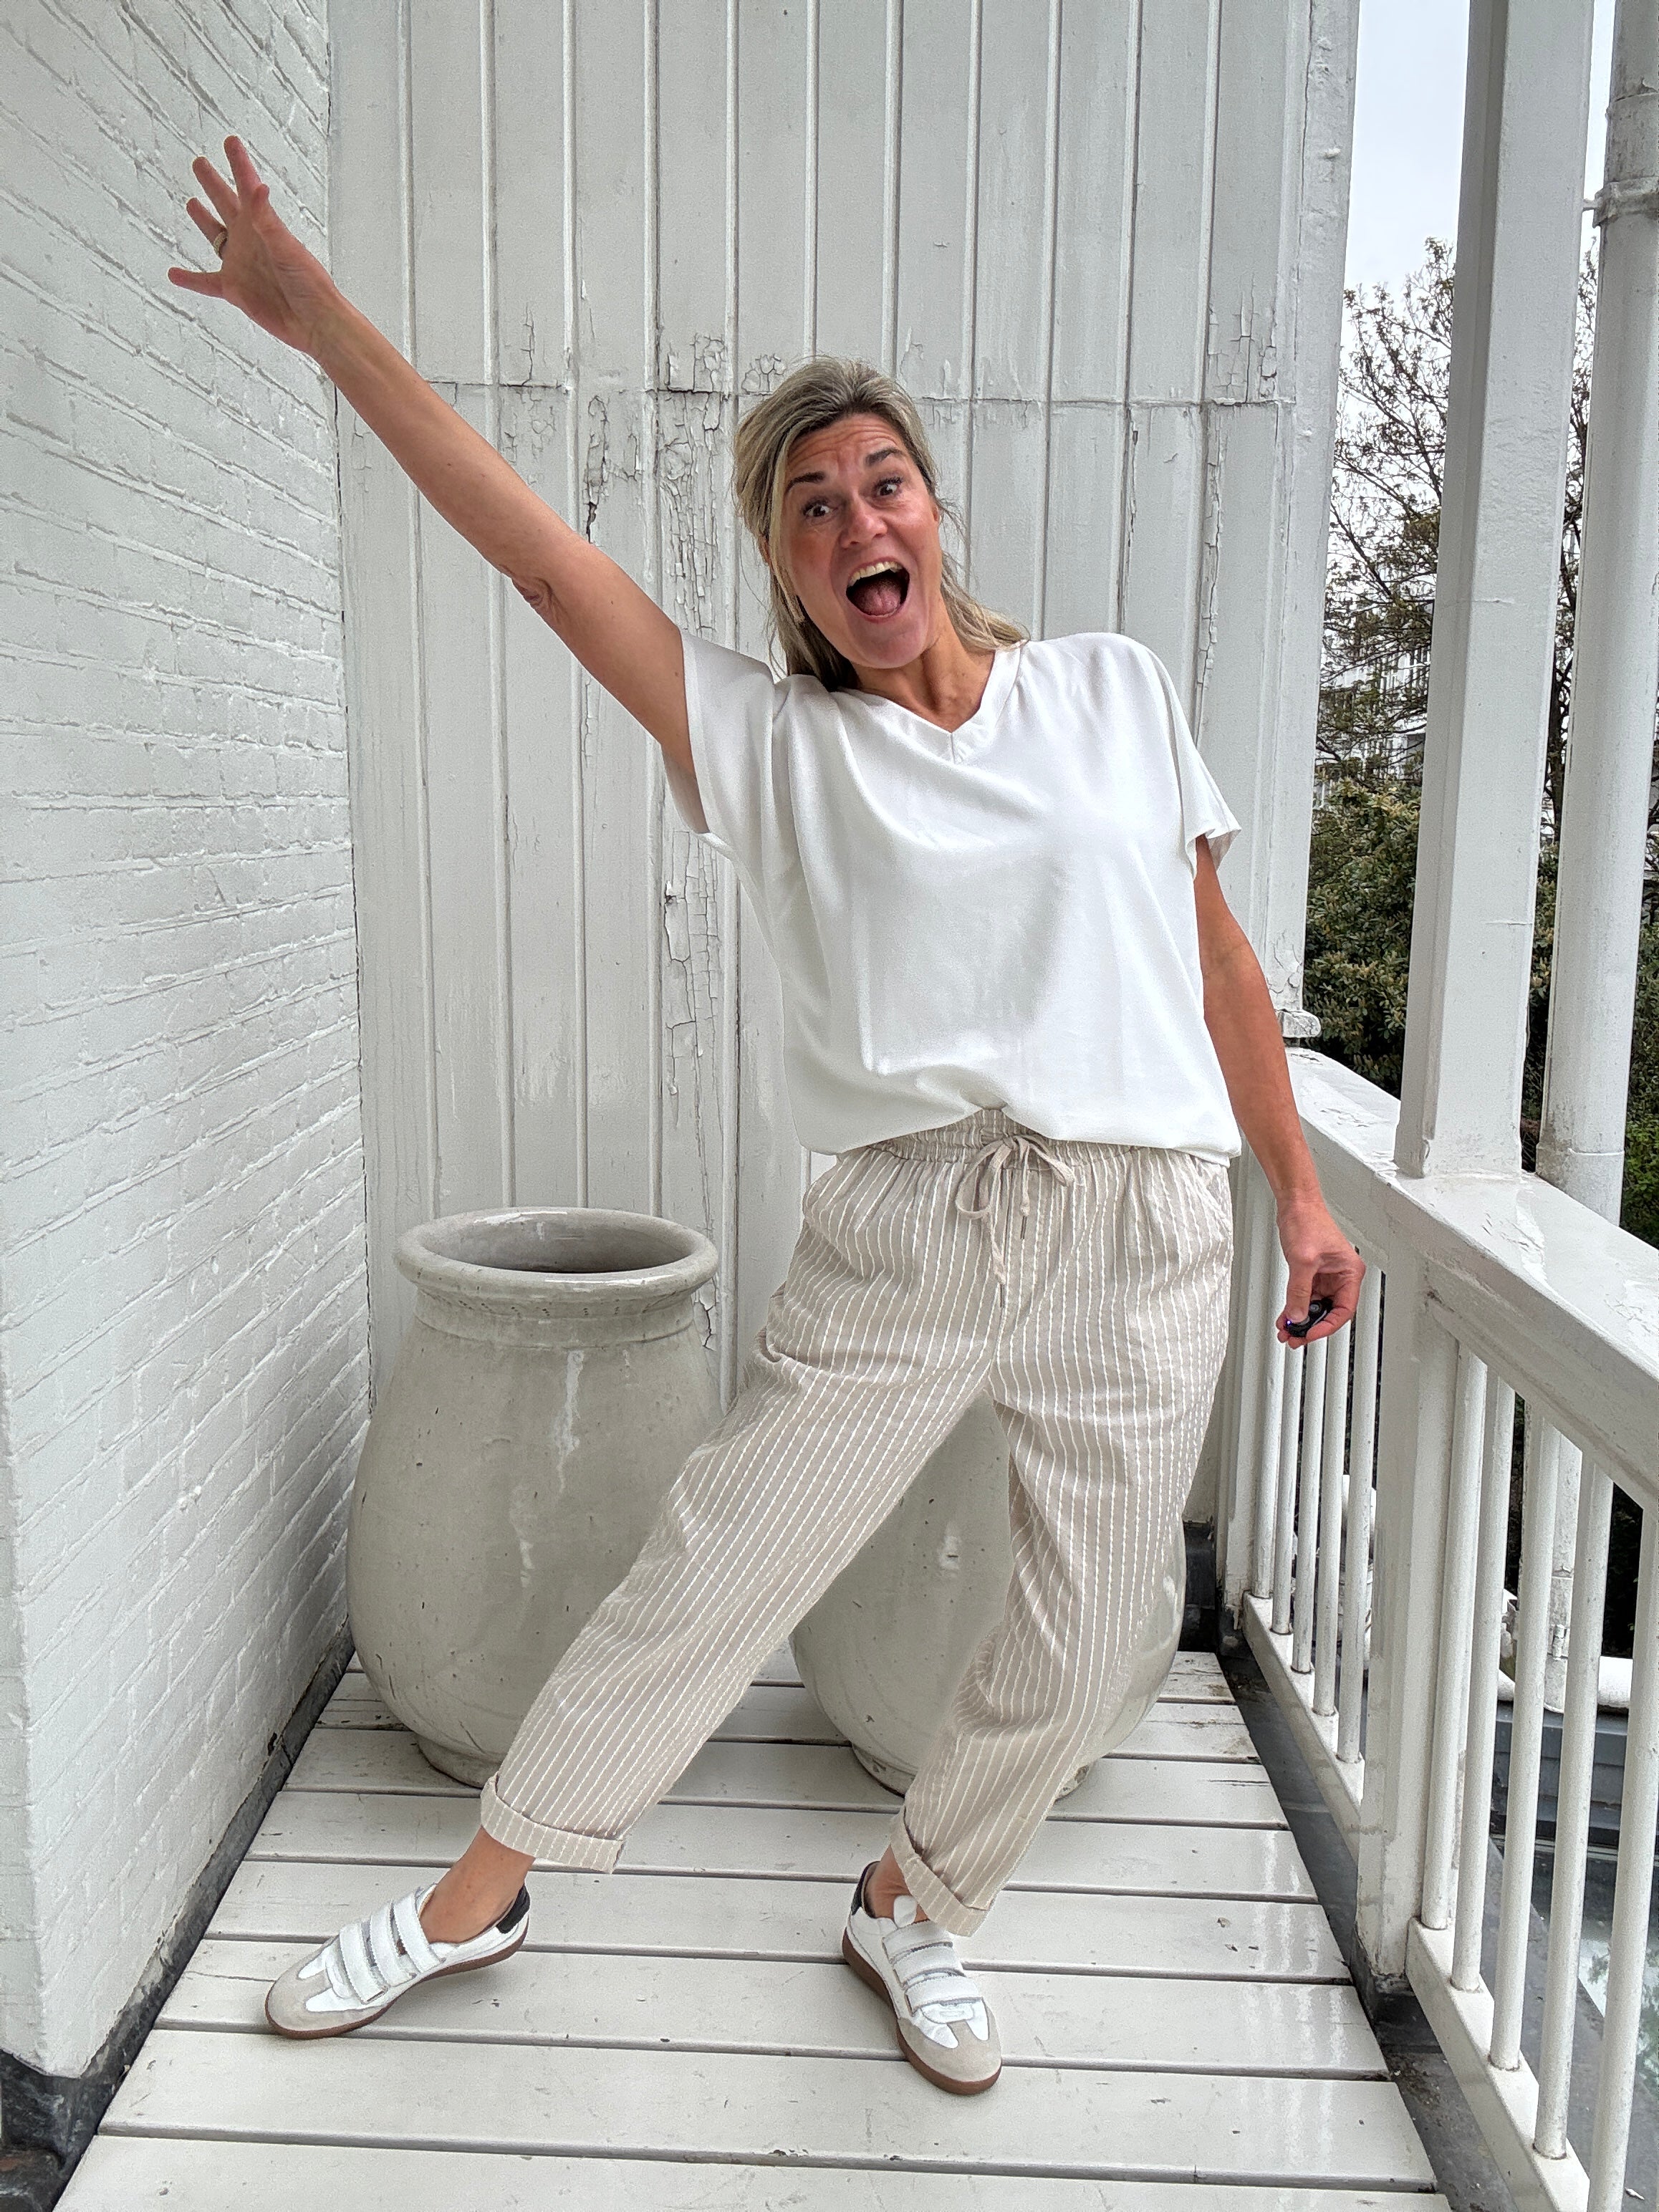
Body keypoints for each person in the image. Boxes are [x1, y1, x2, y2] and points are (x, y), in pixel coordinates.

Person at [169, 137, 1362, 2097]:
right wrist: (320, 324)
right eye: (811, 507)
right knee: (712, 1578)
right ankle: (481, 1897)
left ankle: (917, 1900)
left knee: (1091, 1638)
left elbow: (1217, 959)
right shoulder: (771, 741)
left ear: (932, 510)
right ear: (790, 566)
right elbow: (537, 558)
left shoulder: (1108, 694)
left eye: (880, 481)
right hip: (916, 1220)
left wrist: (1299, 1192)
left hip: (1151, 1222)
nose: (854, 518)